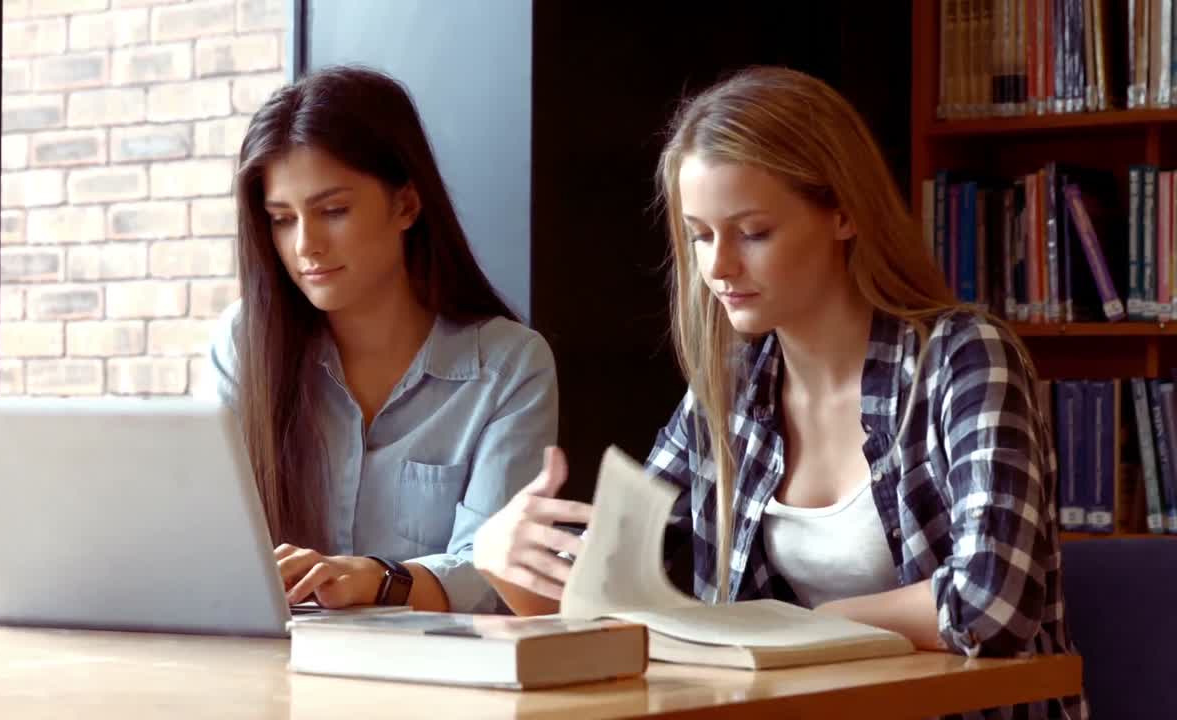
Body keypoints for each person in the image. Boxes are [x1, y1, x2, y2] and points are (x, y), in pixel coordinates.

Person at [473, 66, 1084, 718]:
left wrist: (811, 624)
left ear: (844, 212)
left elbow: (992, 607)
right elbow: (608, 607)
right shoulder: (731, 386)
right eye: (700, 236)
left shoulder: (963, 359)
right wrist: (503, 558)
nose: (718, 267)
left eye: (753, 232)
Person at [205, 66, 557, 614]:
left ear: (406, 205)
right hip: (272, 673)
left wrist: (376, 579)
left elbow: (495, 575)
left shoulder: (510, 365)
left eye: (333, 211)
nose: (306, 245)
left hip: (438, 685)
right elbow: (206, 541)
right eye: (281, 219)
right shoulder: (242, 343)